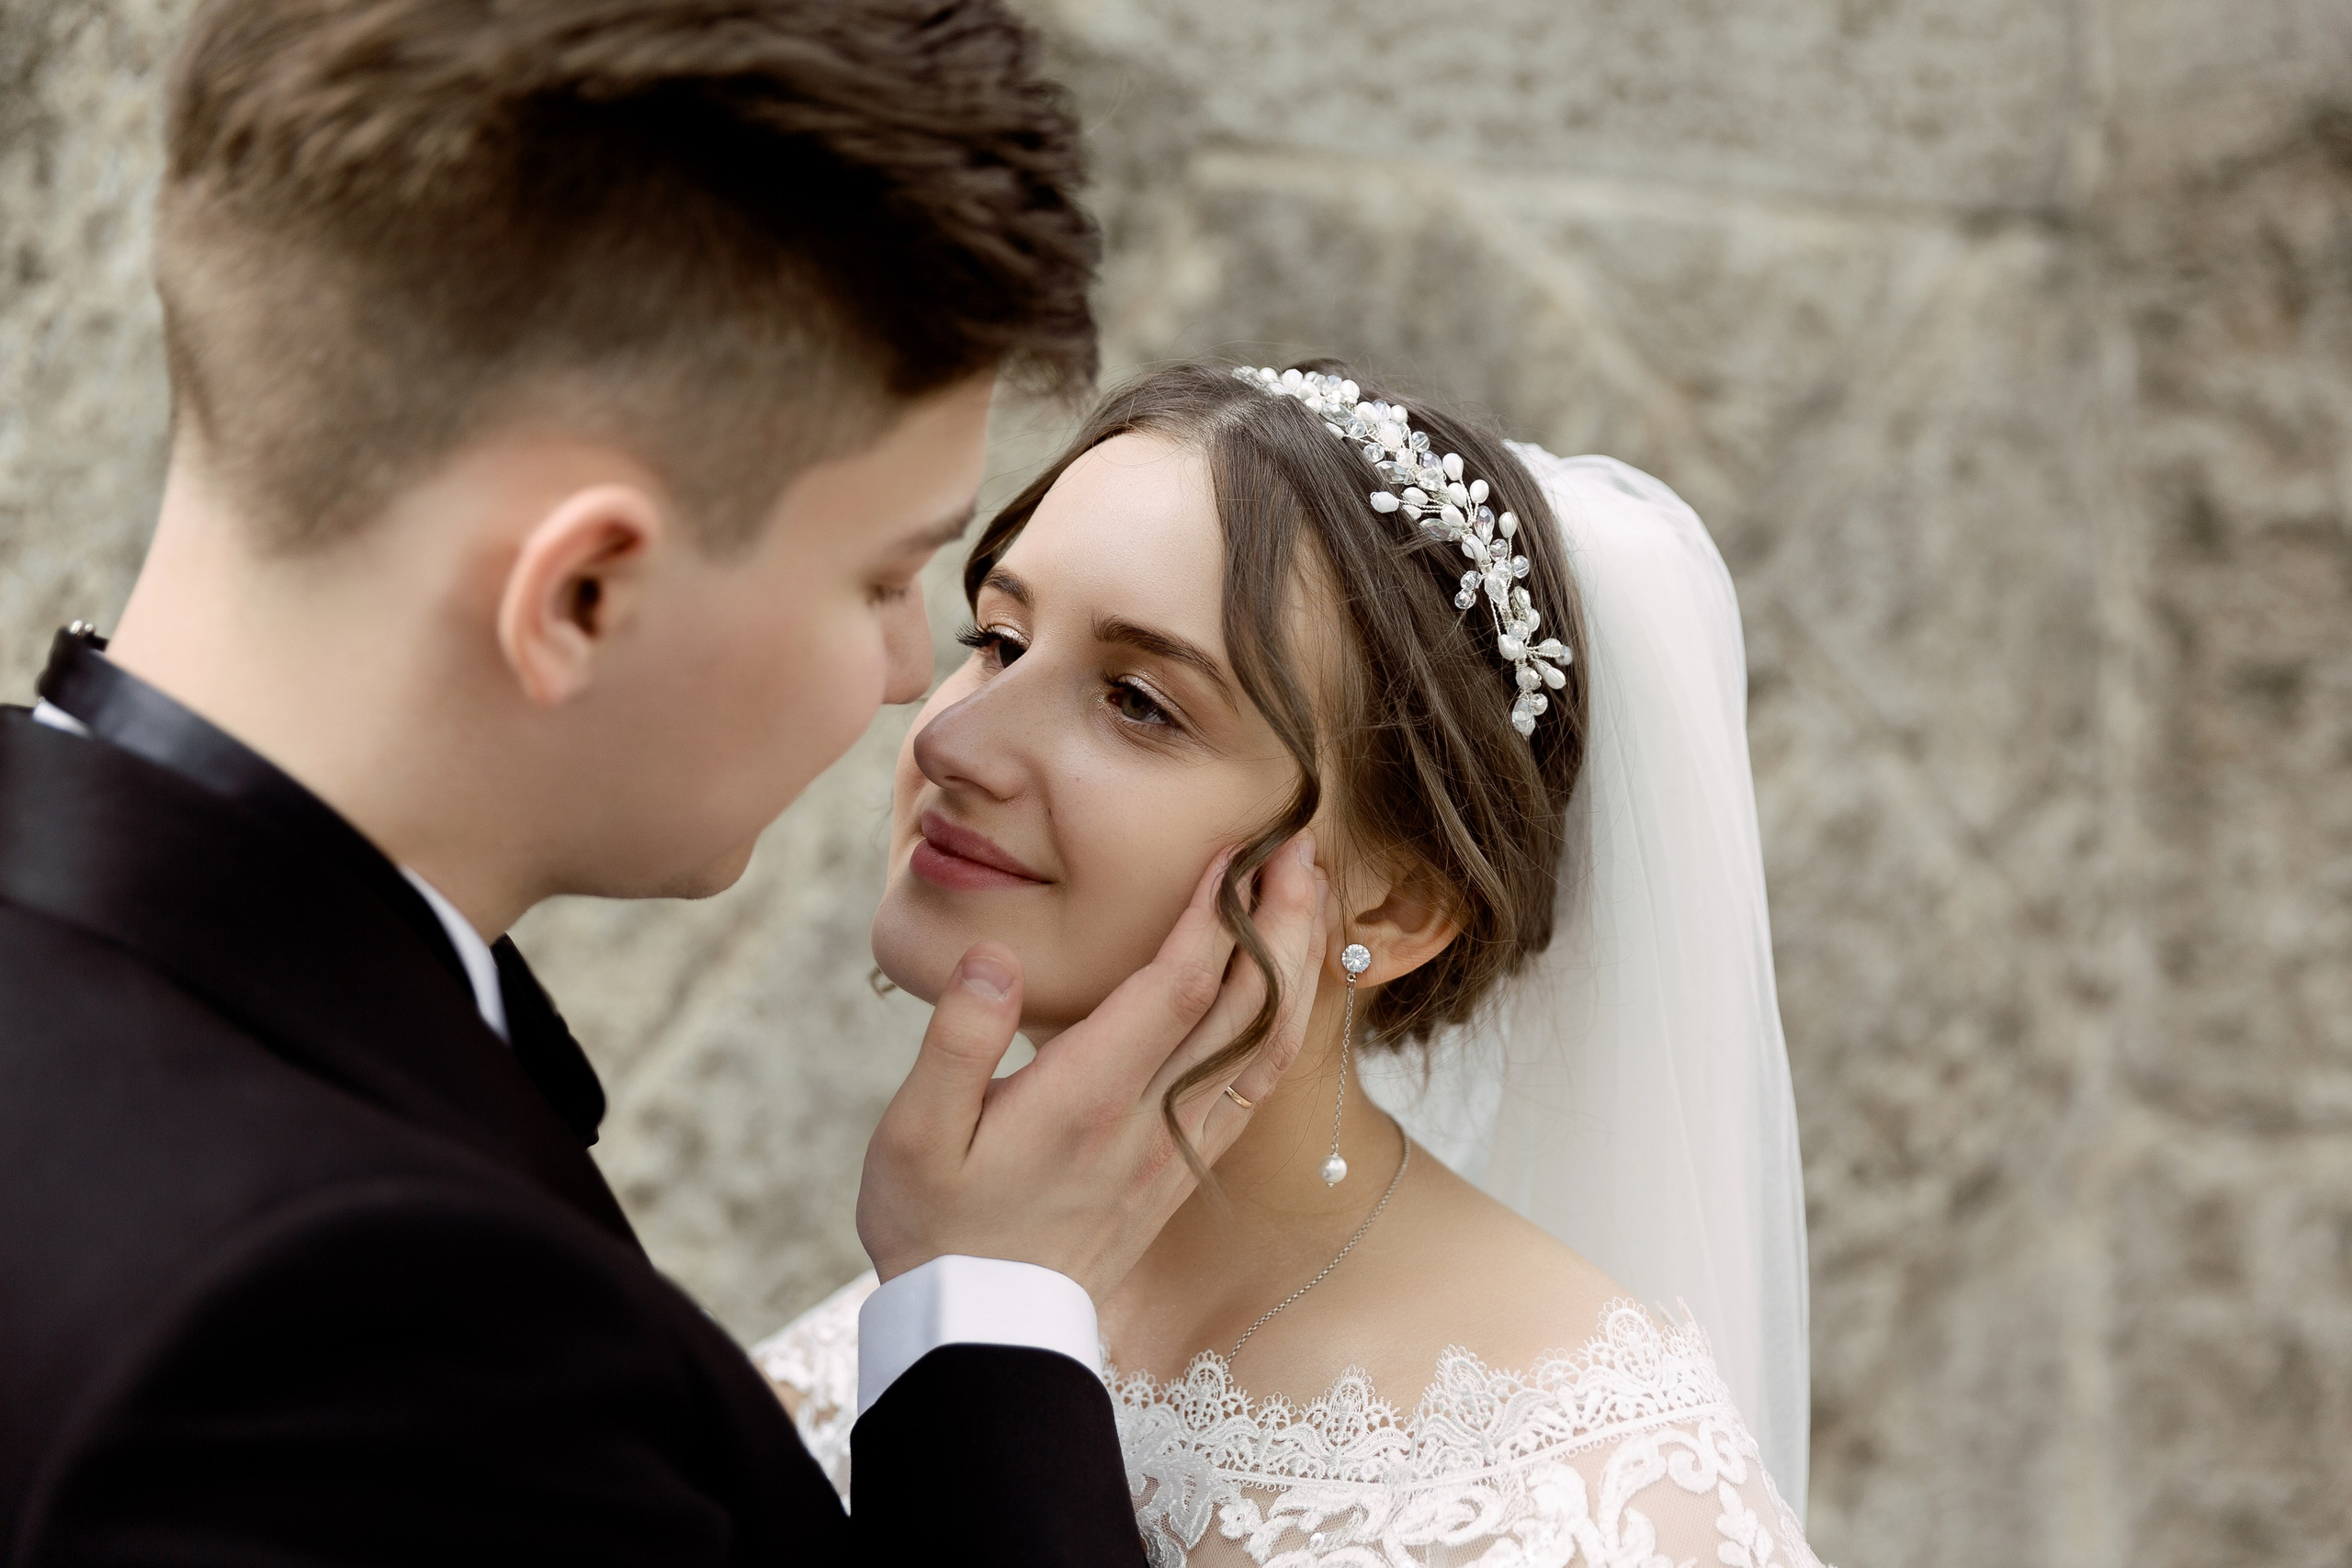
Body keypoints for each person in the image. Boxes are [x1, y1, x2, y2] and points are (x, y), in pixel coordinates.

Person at [0, 6, 1329, 1565]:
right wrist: (991, 1322)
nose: (911, 676)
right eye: (882, 578)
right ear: (584, 596)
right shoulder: (363, 1328)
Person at [755, 361, 1825, 1567]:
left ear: (1403, 902)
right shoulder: (913, 1306)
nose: (953, 738)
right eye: (998, 641)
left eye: (1137, 701)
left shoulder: (1594, 1511)